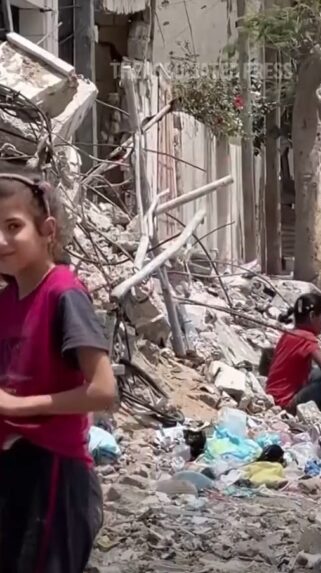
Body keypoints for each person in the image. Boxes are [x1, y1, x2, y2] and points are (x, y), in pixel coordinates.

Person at [0, 171, 115, 572]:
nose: (1, 240)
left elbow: (103, 390)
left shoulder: (63, 293)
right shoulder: (9, 298)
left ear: (47, 230)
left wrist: (17, 406)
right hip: (12, 472)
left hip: (54, 476)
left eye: (13, 227)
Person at [265, 293, 321, 415]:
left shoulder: (289, 334)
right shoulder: (307, 338)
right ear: (312, 316)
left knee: (317, 372)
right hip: (286, 403)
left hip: (274, 395)